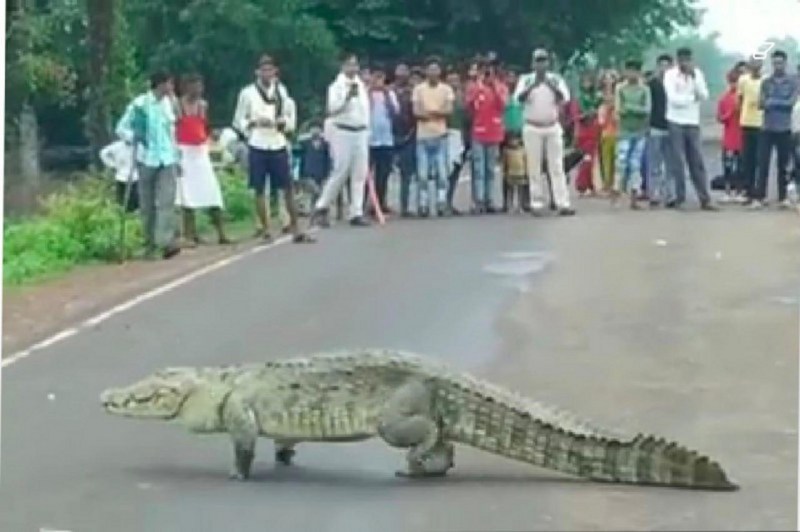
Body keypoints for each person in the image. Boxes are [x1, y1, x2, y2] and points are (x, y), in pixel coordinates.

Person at [233, 54, 313, 242]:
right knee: (260, 188)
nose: (267, 73)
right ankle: (266, 228)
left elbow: (290, 117)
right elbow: (238, 120)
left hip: (277, 141)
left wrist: (283, 123)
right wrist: (252, 123)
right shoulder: (248, 93)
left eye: (270, 69)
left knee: (287, 187)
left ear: (275, 71)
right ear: (257, 72)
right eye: (264, 70)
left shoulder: (281, 91)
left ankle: (295, 228)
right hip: (258, 142)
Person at [115, 70, 181, 260]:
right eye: (169, 84)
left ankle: (165, 242)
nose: (171, 88)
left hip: (167, 158)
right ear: (160, 84)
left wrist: (178, 157)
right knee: (147, 204)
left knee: (166, 201)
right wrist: (133, 137)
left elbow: (172, 133)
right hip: (146, 159)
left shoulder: (170, 104)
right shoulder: (140, 105)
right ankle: (148, 244)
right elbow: (121, 128)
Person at [310, 52, 371, 227]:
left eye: (355, 64)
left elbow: (365, 110)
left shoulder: (360, 84)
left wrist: (368, 130)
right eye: (349, 64)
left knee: (360, 173)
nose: (353, 68)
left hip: (360, 131)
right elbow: (333, 109)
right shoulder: (336, 86)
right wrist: (347, 98)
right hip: (343, 131)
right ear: (342, 66)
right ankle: (321, 206)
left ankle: (356, 212)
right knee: (341, 170)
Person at [514, 48, 575, 216]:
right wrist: (534, 85)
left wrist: (548, 84)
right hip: (532, 126)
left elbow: (564, 99)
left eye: (544, 61)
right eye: (538, 61)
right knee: (534, 167)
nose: (541, 64)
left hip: (552, 126)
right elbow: (518, 99)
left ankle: (562, 202)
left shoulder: (556, 79)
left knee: (556, 166)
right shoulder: (525, 80)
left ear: (548, 63)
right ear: (533, 63)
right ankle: (536, 203)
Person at [175, 74, 230, 246]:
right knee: (187, 196)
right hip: (184, 151)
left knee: (212, 191)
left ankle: (221, 232)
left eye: (200, 86)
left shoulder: (203, 105)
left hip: (200, 151)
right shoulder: (177, 105)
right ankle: (190, 234)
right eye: (195, 86)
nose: (198, 90)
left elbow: (204, 126)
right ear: (186, 87)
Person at [663, 47, 716, 210]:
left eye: (688, 59)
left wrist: (693, 79)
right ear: (678, 60)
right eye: (682, 60)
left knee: (697, 161)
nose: (685, 63)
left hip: (693, 122)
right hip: (675, 121)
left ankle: (705, 199)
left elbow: (705, 95)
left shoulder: (697, 74)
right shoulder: (670, 75)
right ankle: (679, 198)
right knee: (677, 161)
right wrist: (692, 98)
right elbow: (673, 99)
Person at [412, 56, 455, 217]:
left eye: (436, 69)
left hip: (440, 136)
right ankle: (423, 204)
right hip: (422, 137)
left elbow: (448, 110)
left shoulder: (446, 89)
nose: (433, 72)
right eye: (430, 69)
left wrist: (430, 112)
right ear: (425, 71)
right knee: (422, 174)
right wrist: (437, 112)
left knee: (442, 174)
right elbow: (416, 112)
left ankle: (441, 203)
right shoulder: (418, 89)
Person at [755, 50, 798, 209]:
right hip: (767, 127)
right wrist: (778, 102)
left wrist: (772, 102)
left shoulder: (793, 82)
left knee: (783, 165)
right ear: (772, 63)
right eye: (775, 63)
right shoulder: (766, 82)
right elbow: (760, 103)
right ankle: (760, 197)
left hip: (784, 128)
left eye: (780, 63)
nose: (777, 66)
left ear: (785, 63)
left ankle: (782, 197)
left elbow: (791, 103)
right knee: (763, 163)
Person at [465, 56, 508, 213]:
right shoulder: (474, 87)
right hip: (478, 132)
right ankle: (479, 201)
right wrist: (478, 86)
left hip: (494, 132)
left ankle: (489, 200)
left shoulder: (500, 87)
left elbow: (503, 105)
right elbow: (468, 106)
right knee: (478, 169)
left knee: (490, 169)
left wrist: (494, 87)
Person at [612, 59, 651, 210]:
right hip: (624, 130)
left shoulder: (644, 89)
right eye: (629, 70)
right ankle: (616, 193)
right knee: (621, 162)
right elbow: (618, 110)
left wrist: (629, 108)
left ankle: (634, 196)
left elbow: (647, 110)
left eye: (635, 71)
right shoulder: (620, 88)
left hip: (639, 131)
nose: (631, 74)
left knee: (635, 164)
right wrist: (634, 109)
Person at [367, 65, 399, 215]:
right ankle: (363, 204)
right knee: (366, 174)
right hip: (369, 140)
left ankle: (380, 202)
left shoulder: (390, 94)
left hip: (386, 139)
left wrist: (386, 96)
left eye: (381, 77)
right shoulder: (364, 94)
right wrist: (369, 92)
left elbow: (395, 114)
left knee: (383, 173)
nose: (378, 81)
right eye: (375, 77)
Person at [646, 54, 674, 207]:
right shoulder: (652, 84)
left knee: (671, 163)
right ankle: (654, 193)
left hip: (672, 126)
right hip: (655, 126)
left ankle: (670, 193)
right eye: (661, 65)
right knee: (655, 162)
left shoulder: (675, 84)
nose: (664, 69)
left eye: (667, 66)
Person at [391, 62, 417, 217]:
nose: (401, 74)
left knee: (407, 174)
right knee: (383, 172)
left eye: (404, 71)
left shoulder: (413, 92)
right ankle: (378, 204)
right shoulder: (389, 91)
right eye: (399, 70)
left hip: (409, 134)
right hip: (390, 135)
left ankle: (405, 206)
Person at [738, 58, 764, 206]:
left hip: (761, 123)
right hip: (747, 122)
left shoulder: (765, 80)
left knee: (760, 159)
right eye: (753, 63)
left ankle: (759, 192)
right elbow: (740, 99)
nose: (756, 66)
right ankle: (748, 191)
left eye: (758, 64)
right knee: (747, 159)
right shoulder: (743, 80)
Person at [716, 69, 744, 203]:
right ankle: (727, 191)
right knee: (727, 165)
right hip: (728, 137)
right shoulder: (724, 98)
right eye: (732, 81)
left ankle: (739, 191)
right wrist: (729, 113)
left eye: (736, 82)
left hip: (741, 136)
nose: (734, 84)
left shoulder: (743, 98)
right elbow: (719, 117)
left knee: (740, 165)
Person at [574, 71, 602, 196]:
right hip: (583, 130)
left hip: (594, 129)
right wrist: (587, 114)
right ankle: (581, 185)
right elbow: (576, 116)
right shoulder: (579, 97)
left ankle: (589, 184)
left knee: (591, 159)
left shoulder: (596, 97)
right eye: (584, 81)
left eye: (589, 81)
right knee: (586, 159)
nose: (587, 84)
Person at [445, 67, 468, 215]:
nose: (454, 83)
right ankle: (442, 202)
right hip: (445, 135)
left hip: (460, 136)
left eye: (456, 81)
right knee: (445, 172)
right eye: (450, 81)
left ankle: (449, 201)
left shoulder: (463, 97)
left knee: (455, 172)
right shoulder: (443, 96)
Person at [99, 137, 138, 212]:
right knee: (121, 199)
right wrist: (112, 165)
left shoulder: (138, 146)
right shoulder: (117, 146)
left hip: (136, 176)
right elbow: (103, 153)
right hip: (121, 176)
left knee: (135, 200)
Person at [298, 123, 331, 206]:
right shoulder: (305, 143)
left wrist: (327, 173)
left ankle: (315, 211)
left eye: (317, 128)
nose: (314, 130)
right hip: (308, 173)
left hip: (321, 173)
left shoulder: (326, 144)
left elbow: (328, 160)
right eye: (312, 128)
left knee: (316, 195)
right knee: (317, 191)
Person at [597, 74, 618, 196]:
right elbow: (601, 121)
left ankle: (615, 184)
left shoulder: (618, 97)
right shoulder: (601, 103)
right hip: (606, 132)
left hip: (616, 132)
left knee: (616, 160)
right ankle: (606, 184)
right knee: (606, 160)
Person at [502, 132, 527, 213]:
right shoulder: (506, 151)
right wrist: (504, 172)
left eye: (515, 140)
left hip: (521, 173)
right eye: (511, 140)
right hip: (510, 173)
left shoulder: (523, 150)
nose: (513, 142)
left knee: (520, 191)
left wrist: (527, 172)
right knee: (511, 190)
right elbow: (504, 163)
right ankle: (510, 205)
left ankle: (520, 206)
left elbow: (526, 161)